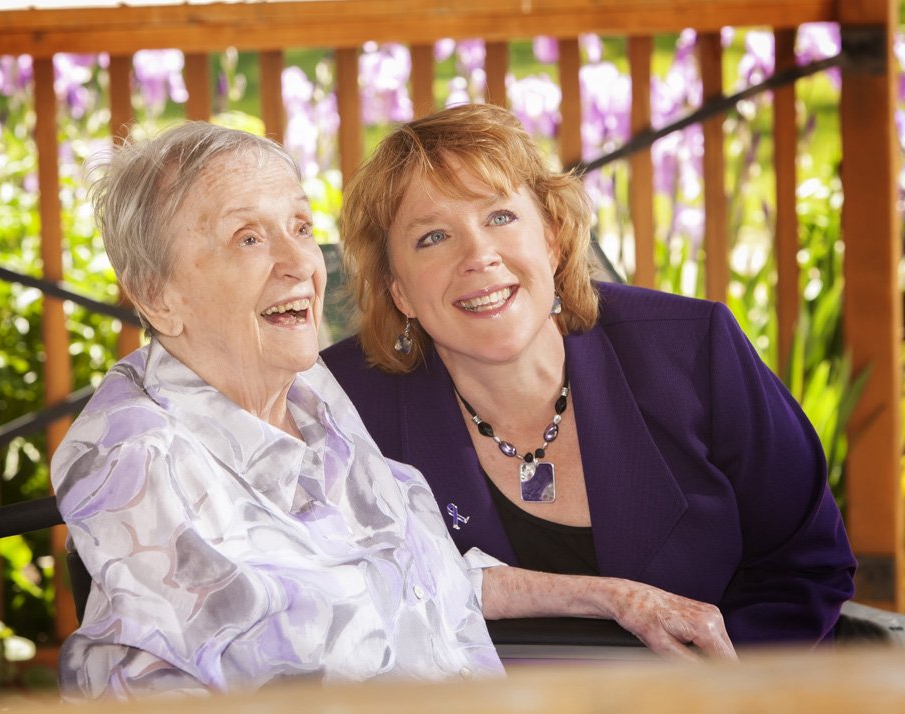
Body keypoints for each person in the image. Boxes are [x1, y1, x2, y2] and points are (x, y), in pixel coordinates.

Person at [52, 121, 736, 700]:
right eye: (248, 238)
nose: (302, 265)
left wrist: (614, 596)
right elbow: (274, 665)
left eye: (298, 225)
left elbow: (419, 572)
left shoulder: (313, 399)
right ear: (156, 294)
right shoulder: (132, 455)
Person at [321, 102, 856, 648]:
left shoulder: (693, 348)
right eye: (432, 237)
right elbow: (328, 609)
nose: (478, 255)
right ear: (399, 292)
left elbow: (806, 566)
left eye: (500, 217)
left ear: (552, 239)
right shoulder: (341, 408)